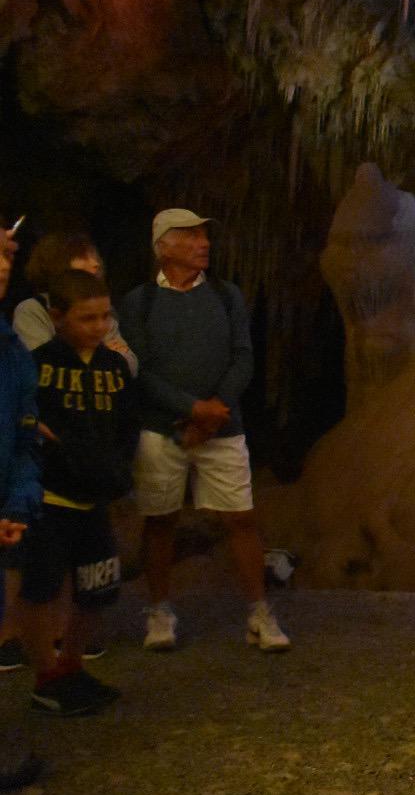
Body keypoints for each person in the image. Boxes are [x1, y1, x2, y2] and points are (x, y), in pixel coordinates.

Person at [121, 209, 288, 652]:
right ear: (164, 246)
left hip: (222, 428)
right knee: (160, 520)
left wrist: (213, 412)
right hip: (163, 429)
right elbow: (139, 369)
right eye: (191, 235)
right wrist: (192, 408)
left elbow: (243, 356)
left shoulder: (226, 295)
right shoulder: (140, 302)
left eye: (203, 235)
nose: (204, 243)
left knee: (241, 517)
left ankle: (259, 611)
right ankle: (160, 610)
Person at [15, 271, 136, 715]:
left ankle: (71, 665)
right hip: (50, 498)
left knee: (98, 587)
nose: (99, 326)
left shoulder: (114, 367)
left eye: (105, 316)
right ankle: (46, 676)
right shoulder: (37, 365)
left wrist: (118, 471)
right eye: (87, 318)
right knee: (41, 588)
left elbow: (125, 425)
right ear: (57, 317)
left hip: (94, 497)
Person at [0, 231, 44, 792]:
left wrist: (17, 500)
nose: (3, 263)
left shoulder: (10, 348)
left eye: (7, 252)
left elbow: (23, 435)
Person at [12, 231, 137, 372]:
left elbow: (131, 365)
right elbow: (40, 365)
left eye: (94, 257)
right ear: (57, 262)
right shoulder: (33, 309)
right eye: (83, 257)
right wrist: (104, 353)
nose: (95, 264)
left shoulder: (101, 306)